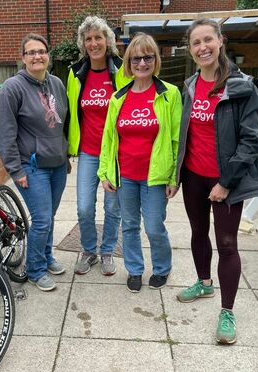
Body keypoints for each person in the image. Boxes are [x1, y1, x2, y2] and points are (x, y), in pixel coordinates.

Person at [175, 19, 258, 344]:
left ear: (221, 41)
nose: (203, 47)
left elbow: (252, 141)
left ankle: (227, 311)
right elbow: (183, 136)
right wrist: (176, 176)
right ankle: (204, 282)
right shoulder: (189, 86)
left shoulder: (242, 87)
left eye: (208, 39)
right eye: (196, 42)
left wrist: (225, 181)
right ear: (190, 49)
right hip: (193, 176)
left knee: (227, 244)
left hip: (227, 180)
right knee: (199, 233)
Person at [98, 32, 182, 293]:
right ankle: (135, 269)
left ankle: (162, 268)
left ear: (155, 60)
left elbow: (177, 140)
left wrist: (174, 177)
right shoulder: (118, 98)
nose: (142, 63)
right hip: (126, 176)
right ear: (128, 62)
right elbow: (108, 139)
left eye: (148, 57)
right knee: (131, 225)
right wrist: (104, 173)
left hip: (156, 176)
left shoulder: (170, 94)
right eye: (136, 58)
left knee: (155, 226)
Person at [0, 33, 68, 292]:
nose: (37, 56)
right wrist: (16, 170)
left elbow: (63, 124)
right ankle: (35, 269)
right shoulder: (12, 88)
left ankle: (47, 257)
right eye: (31, 52)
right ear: (23, 57)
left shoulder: (57, 84)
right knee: (41, 220)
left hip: (58, 165)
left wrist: (65, 153)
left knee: (50, 217)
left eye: (42, 51)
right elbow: (5, 135)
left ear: (48, 55)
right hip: (32, 167)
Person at [67, 16, 131, 277]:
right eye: (88, 38)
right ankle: (88, 249)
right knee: (84, 207)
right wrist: (67, 148)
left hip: (115, 154)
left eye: (98, 37)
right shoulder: (75, 72)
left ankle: (107, 252)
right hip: (88, 152)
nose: (93, 43)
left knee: (112, 207)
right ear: (83, 43)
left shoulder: (122, 70)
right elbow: (69, 112)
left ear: (109, 41)